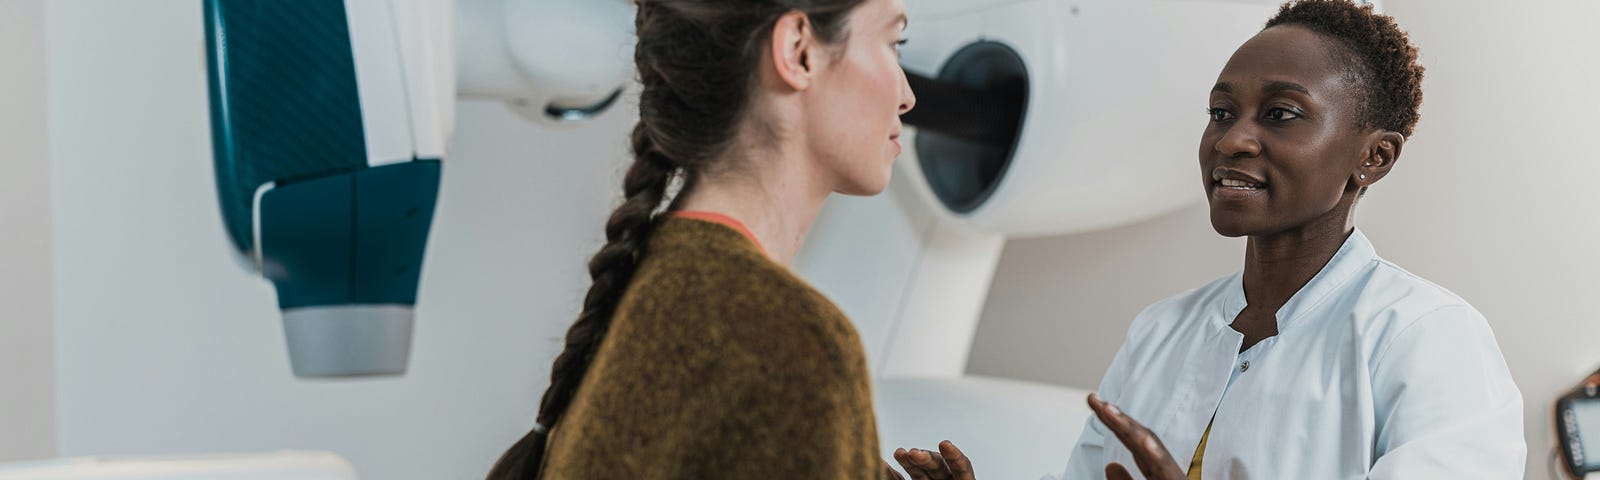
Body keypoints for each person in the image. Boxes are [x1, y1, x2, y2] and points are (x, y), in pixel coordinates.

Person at [892, 1, 1524, 478]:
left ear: (1375, 156)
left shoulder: (1426, 338)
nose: (1231, 140)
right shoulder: (1159, 331)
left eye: (1280, 114)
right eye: (1222, 112)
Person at [483, 0, 916, 478]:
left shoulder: (640, 289)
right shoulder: (793, 340)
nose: (907, 96)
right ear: (798, 51)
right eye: (894, 43)